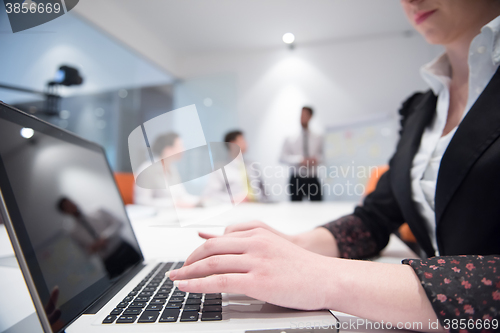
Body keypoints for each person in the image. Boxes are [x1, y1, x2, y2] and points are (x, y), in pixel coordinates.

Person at [164, 1, 500, 331]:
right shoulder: (420, 110)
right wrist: (296, 245)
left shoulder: (323, 134)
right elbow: (375, 217)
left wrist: (323, 275)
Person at [57, 197, 140, 278]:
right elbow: (83, 253)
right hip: (109, 261)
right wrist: (92, 248)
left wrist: (105, 236)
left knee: (142, 270)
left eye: (70, 203)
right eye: (67, 207)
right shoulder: (73, 232)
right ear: (65, 212)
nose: (71, 206)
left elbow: (118, 222)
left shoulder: (97, 210)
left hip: (124, 249)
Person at [134, 132, 199, 208]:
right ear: (167, 149)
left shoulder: (172, 169)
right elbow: (142, 201)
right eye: (180, 146)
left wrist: (199, 200)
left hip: (173, 214)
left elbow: (182, 195)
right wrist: (173, 203)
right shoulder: (147, 169)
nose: (183, 149)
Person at [203, 130, 267, 204]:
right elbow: (210, 194)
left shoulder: (252, 165)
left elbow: (263, 190)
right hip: (235, 209)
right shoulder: (220, 169)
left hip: (259, 206)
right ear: (232, 144)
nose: (246, 143)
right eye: (242, 141)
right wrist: (233, 199)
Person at [280, 106, 324, 201]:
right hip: (296, 178)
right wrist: (299, 160)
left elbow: (323, 156)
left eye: (305, 115)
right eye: (301, 115)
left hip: (313, 177)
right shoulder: (290, 137)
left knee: (318, 207)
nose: (302, 117)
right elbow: (282, 157)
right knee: (295, 210)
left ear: (311, 117)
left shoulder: (318, 137)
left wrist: (315, 160)